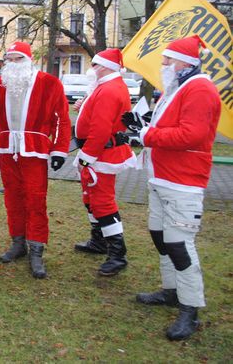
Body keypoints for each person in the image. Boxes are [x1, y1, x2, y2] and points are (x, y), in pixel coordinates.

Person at [117, 35, 221, 341]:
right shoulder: (178, 88)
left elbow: (191, 135)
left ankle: (191, 309)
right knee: (161, 236)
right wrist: (142, 125)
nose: (162, 64)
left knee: (179, 244)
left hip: (183, 181)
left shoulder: (200, 89)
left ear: (186, 63)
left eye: (168, 59)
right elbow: (163, 125)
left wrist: (146, 137)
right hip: (163, 178)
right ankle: (171, 290)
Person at [0, 41, 71, 278]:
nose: (13, 63)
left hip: (35, 151)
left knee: (35, 199)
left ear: (28, 60)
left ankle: (37, 250)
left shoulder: (49, 83)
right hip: (8, 149)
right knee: (12, 197)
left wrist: (60, 150)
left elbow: (62, 119)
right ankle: (18, 243)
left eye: (18, 58)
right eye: (9, 59)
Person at [73, 48, 137, 276]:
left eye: (95, 65)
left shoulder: (109, 89)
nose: (92, 69)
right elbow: (98, 118)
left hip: (102, 155)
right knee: (91, 198)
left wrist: (87, 157)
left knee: (103, 202)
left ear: (107, 67)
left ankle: (117, 254)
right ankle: (99, 241)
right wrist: (83, 110)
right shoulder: (106, 87)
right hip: (99, 153)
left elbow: (100, 129)